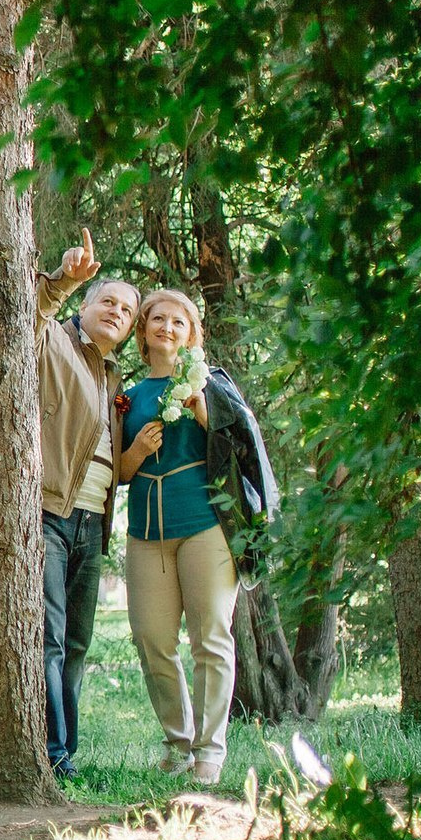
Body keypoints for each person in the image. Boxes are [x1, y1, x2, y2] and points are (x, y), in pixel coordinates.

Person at [115, 287, 275, 785]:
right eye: (156, 319)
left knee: (211, 638)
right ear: (142, 331)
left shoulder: (211, 385)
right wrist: (138, 452)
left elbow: (242, 446)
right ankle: (176, 743)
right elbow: (116, 472)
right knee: (152, 640)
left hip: (205, 524)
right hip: (146, 532)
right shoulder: (127, 395)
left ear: (190, 335)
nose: (166, 327)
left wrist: (202, 409)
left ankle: (209, 751)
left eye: (177, 322)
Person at [34, 231, 137, 782]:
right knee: (48, 635)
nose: (116, 312)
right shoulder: (53, 340)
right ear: (86, 305)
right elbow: (24, 313)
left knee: (76, 642)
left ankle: (67, 747)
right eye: (107, 301)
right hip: (50, 513)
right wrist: (62, 280)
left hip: (94, 525)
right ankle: (53, 755)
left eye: (126, 309)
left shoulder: (113, 377)